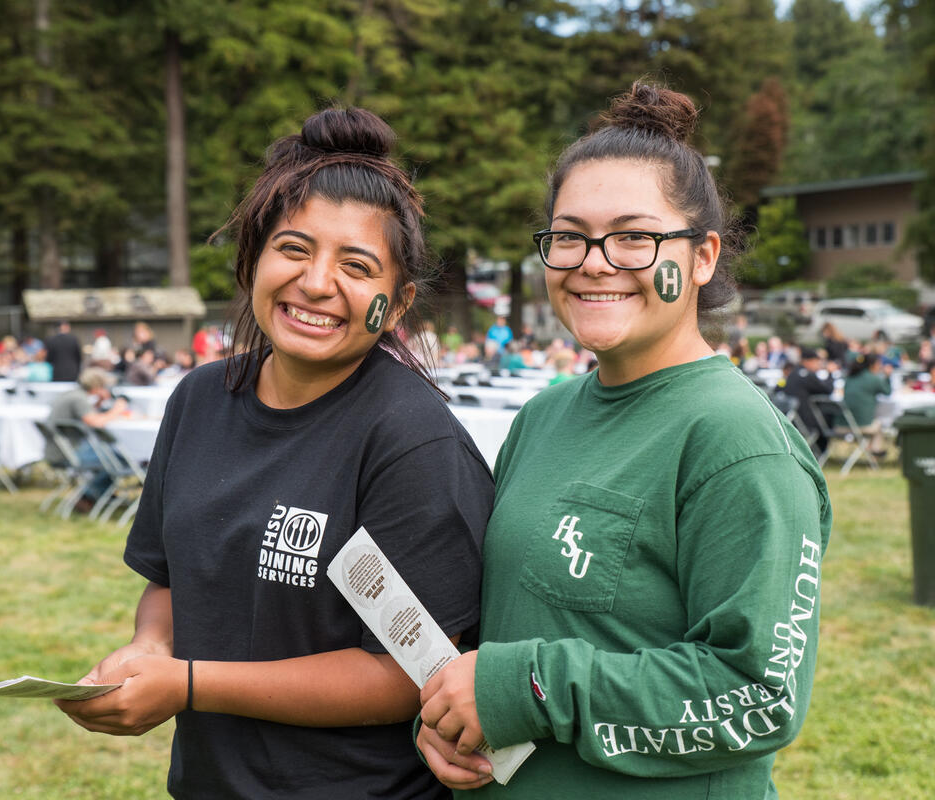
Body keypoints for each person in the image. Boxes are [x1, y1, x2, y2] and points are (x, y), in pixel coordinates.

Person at [55, 107, 494, 800]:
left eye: (356, 265)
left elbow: (407, 674)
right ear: (254, 258)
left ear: (398, 302)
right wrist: (150, 649)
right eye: (293, 248)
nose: (317, 283)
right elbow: (167, 580)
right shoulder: (199, 399)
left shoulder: (411, 438)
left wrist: (189, 685)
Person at [416, 82, 831, 798]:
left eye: (634, 236)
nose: (594, 261)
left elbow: (760, 698)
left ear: (702, 257)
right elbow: (508, 639)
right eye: (569, 235)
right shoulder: (542, 418)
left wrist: (531, 687)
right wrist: (455, 710)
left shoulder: (737, 443)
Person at [46, 367, 131, 511]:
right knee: (116, 460)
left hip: (58, 449)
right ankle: (89, 496)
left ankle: (100, 494)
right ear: (97, 386)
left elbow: (89, 415)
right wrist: (117, 409)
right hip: (68, 453)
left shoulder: (72, 394)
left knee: (111, 457)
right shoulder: (78, 399)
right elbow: (96, 422)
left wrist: (98, 403)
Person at [780, 346, 839, 450]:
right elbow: (827, 389)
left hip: (792, 418)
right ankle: (819, 455)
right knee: (828, 419)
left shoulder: (793, 373)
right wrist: (830, 373)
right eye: (816, 361)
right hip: (805, 421)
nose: (819, 365)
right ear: (807, 361)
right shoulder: (807, 375)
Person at [842, 353, 893, 457]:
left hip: (841, 424)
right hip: (860, 426)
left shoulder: (850, 377)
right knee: (879, 423)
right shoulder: (872, 379)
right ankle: (875, 451)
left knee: (874, 422)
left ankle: (871, 449)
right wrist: (888, 376)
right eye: (879, 363)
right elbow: (887, 391)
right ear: (873, 365)